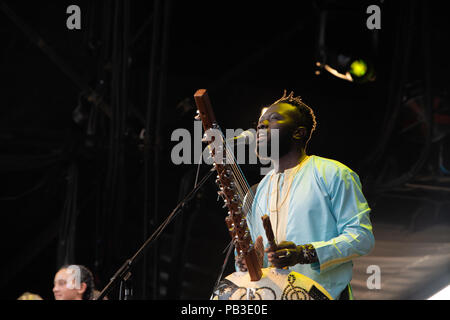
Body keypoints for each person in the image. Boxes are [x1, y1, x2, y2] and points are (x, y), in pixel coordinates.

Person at [236, 90, 375, 300]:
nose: (261, 126)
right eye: (260, 122)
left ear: (298, 133)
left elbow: (361, 238)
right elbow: (256, 261)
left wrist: (304, 253)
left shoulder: (333, 173)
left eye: (274, 119)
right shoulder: (255, 193)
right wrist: (246, 263)